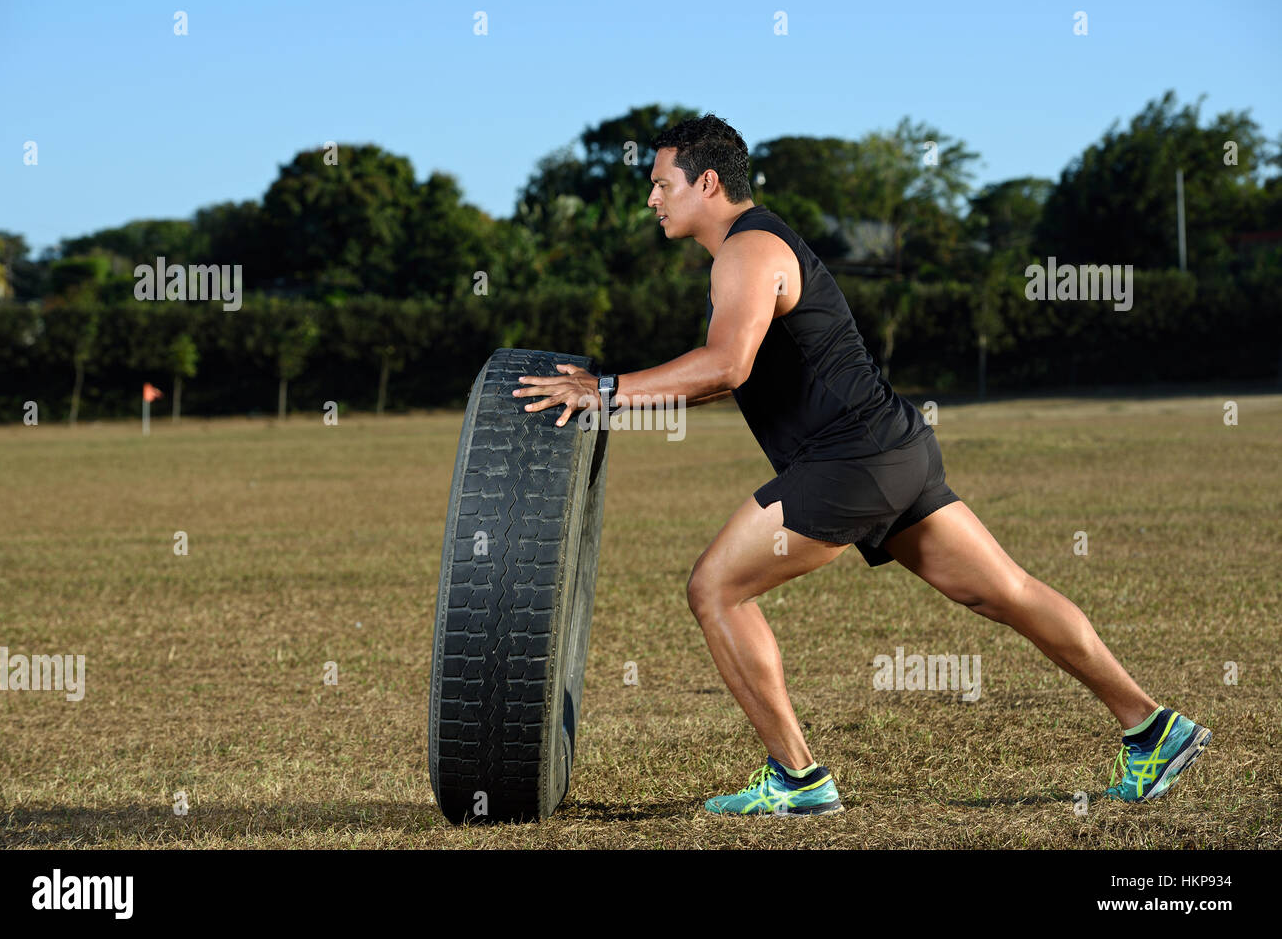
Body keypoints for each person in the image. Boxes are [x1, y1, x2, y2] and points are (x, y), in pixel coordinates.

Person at [513, 113, 1210, 815]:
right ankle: (1152, 727)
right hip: (896, 449)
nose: (653, 200)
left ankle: (796, 778)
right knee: (1008, 592)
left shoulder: (747, 252)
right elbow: (722, 378)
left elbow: (725, 366)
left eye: (663, 184)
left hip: (851, 461)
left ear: (708, 181)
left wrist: (604, 390)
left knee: (715, 589)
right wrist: (621, 397)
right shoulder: (759, 244)